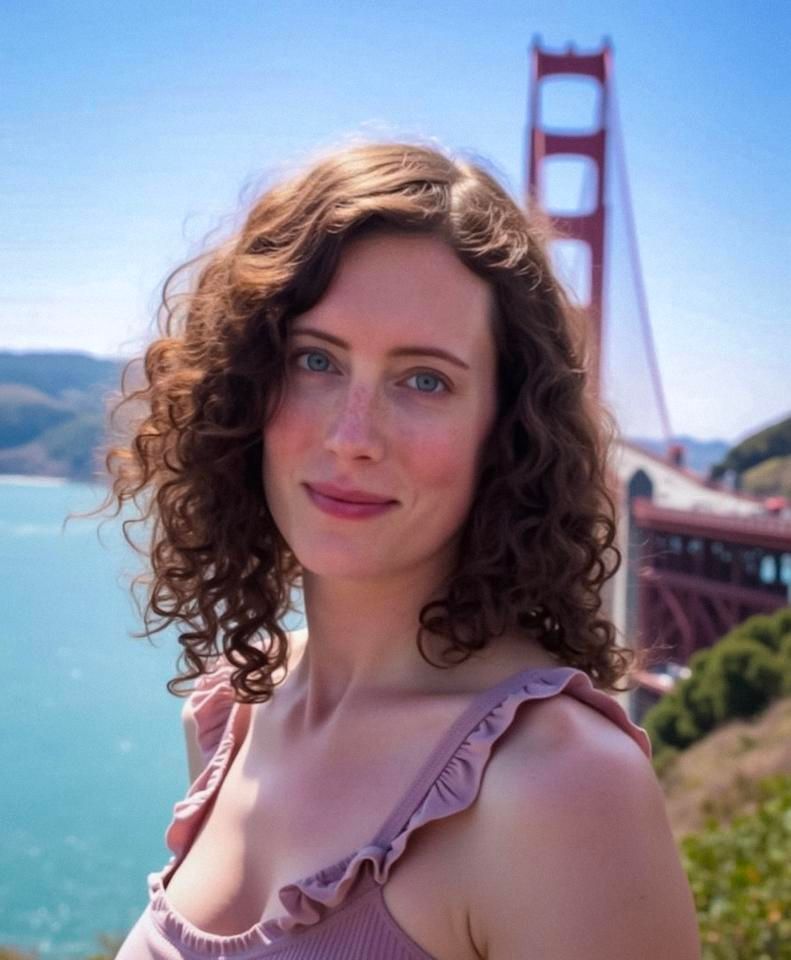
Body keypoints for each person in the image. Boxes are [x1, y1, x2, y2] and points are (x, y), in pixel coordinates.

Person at [97, 139, 700, 959]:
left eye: (424, 380)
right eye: (315, 360)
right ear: (244, 388)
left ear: (507, 432)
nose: (352, 437)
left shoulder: (559, 789)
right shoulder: (232, 715)